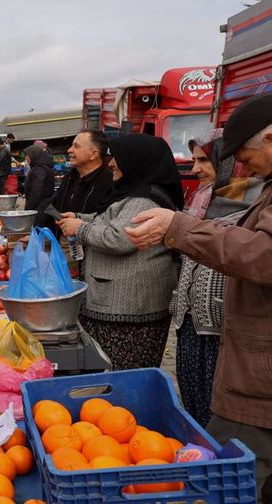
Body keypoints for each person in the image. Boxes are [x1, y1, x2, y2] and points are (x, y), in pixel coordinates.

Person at [125, 94, 272, 500]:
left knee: (226, 476)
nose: (243, 165)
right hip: (247, 358)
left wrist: (180, 228)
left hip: (259, 374)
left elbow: (263, 255)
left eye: (246, 154)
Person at [58, 134, 183, 371]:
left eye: (117, 158)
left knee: (124, 375)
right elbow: (111, 220)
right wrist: (81, 219)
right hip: (118, 306)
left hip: (130, 311)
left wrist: (81, 229)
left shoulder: (144, 199)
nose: (111, 163)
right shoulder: (133, 193)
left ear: (136, 161)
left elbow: (120, 238)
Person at [170, 128, 262, 428]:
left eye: (204, 161)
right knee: (194, 404)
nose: (195, 169)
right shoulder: (201, 199)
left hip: (226, 332)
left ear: (227, 162)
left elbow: (250, 255)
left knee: (222, 415)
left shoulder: (257, 201)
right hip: (190, 325)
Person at [35, 129, 113, 232]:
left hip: (89, 245)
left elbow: (106, 221)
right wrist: (39, 233)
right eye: (72, 145)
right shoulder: (70, 177)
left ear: (93, 154)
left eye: (76, 146)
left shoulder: (109, 181)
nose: (69, 150)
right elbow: (53, 208)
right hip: (63, 243)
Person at [22, 144, 55, 212]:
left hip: (39, 208)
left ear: (33, 155)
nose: (26, 158)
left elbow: (37, 190)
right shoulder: (41, 166)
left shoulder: (39, 169)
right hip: (41, 206)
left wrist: (29, 208)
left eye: (27, 155)